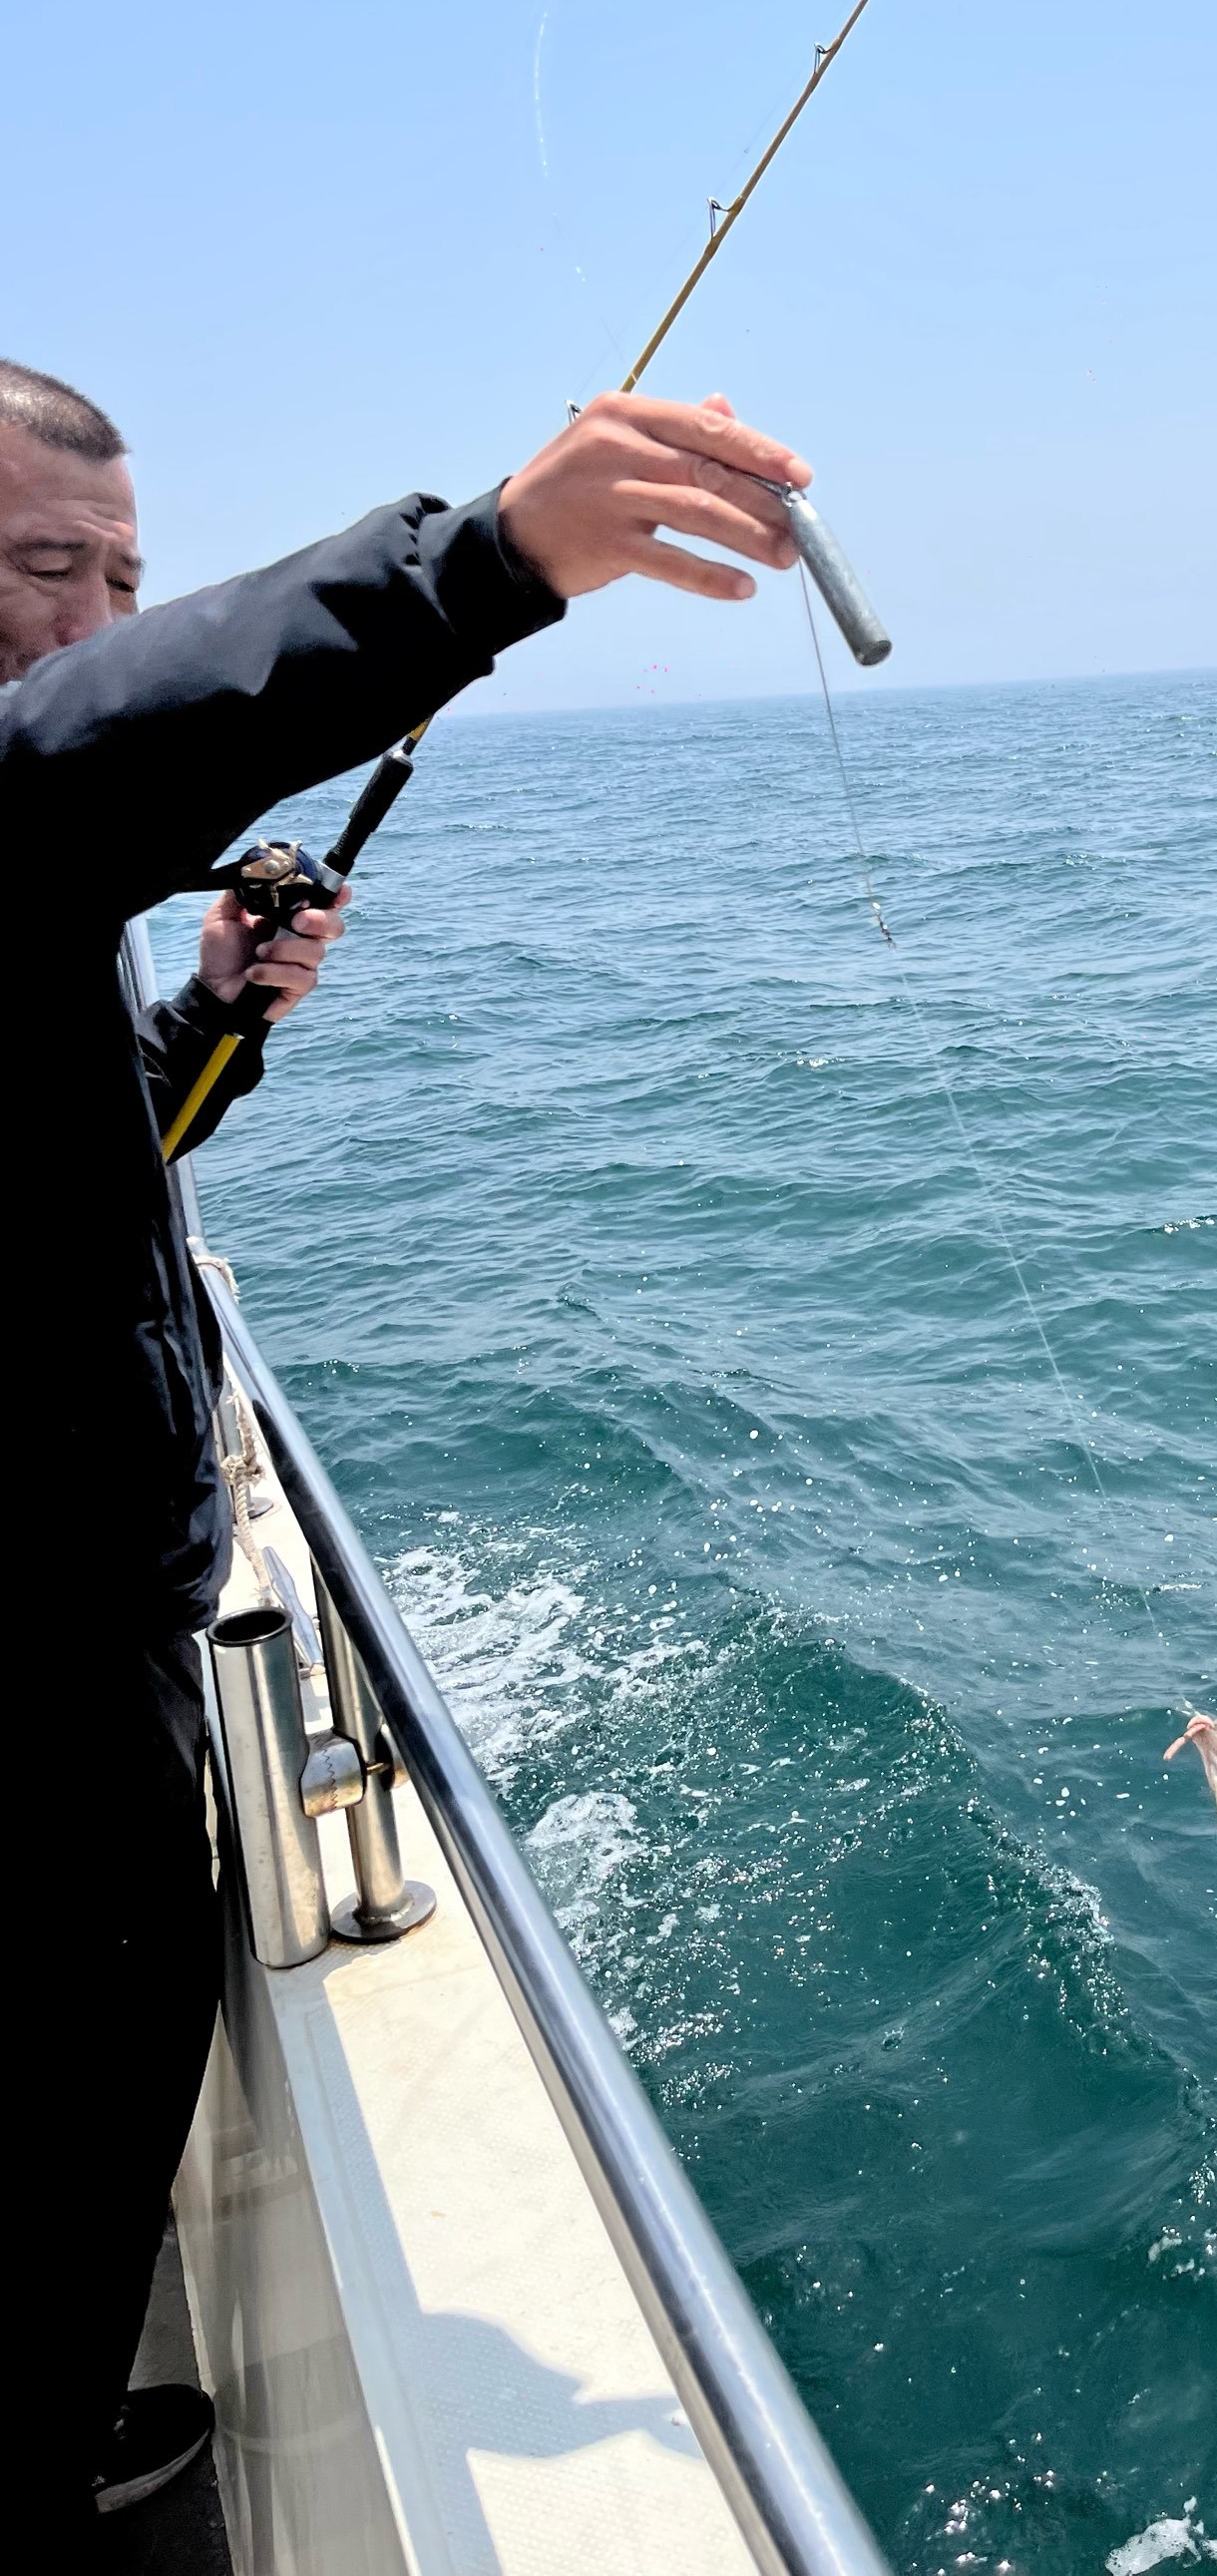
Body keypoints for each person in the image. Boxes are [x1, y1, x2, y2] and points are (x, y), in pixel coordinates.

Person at [0, 354, 814, 2540]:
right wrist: (474, 569)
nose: (86, 619)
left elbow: (97, 1167)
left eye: (121, 577)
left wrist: (209, 1021)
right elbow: (74, 758)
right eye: (33, 566)